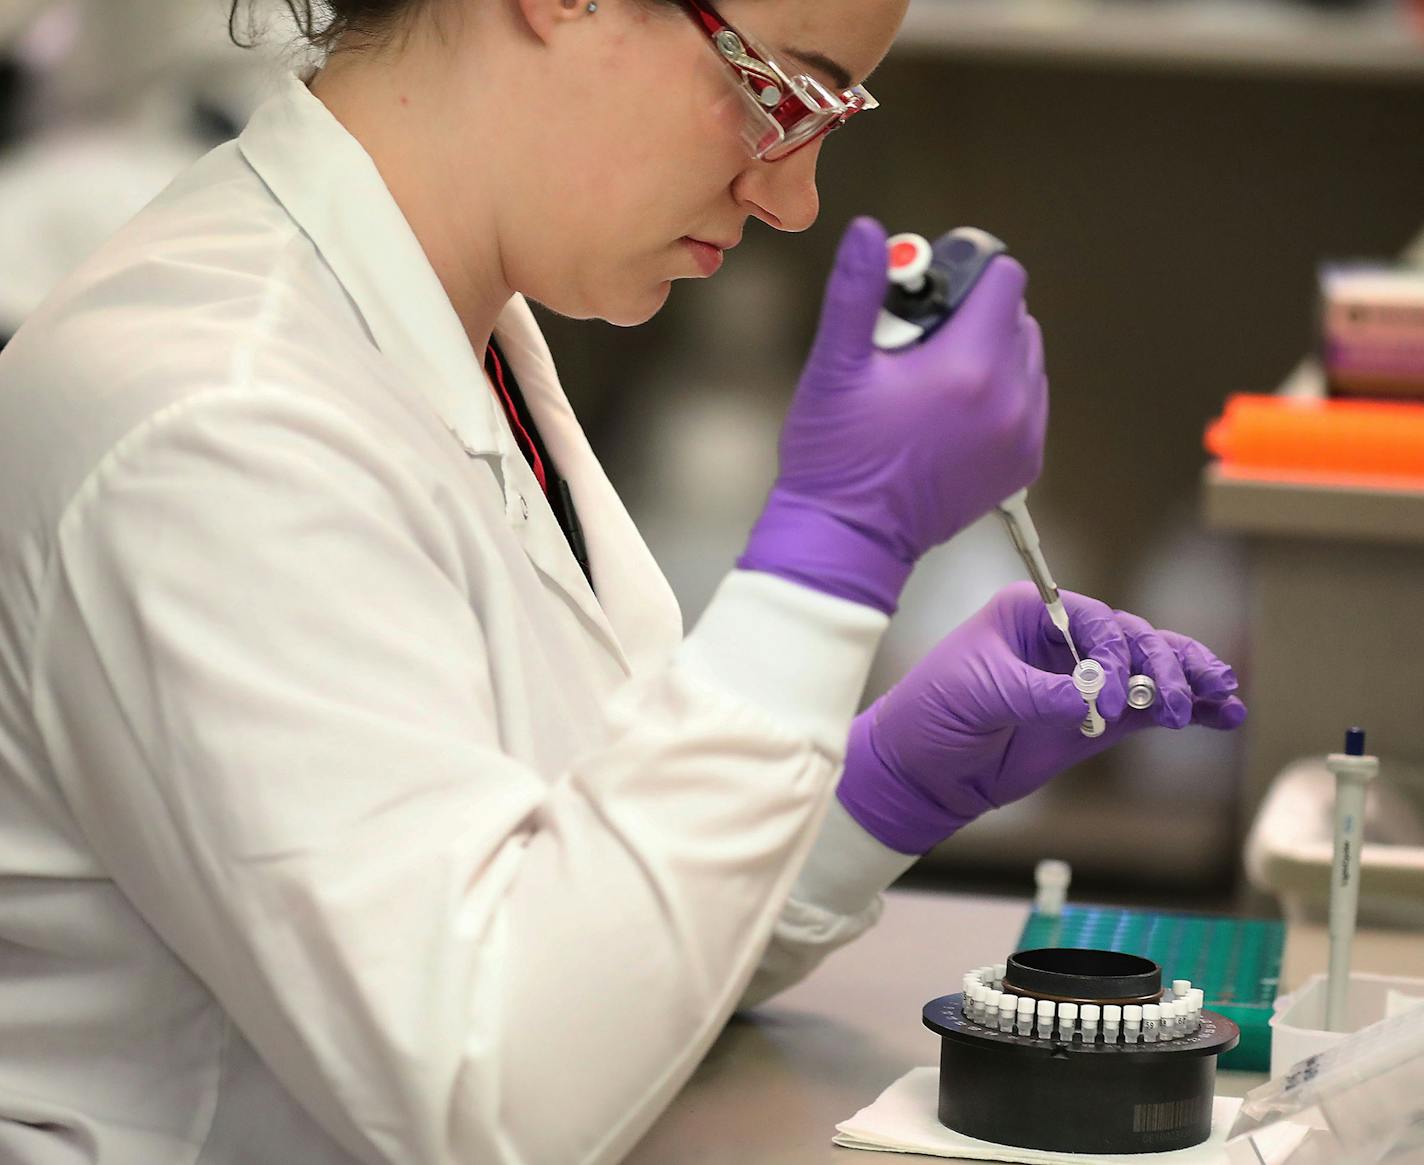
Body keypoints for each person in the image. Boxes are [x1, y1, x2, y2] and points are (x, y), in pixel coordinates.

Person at [0, 0, 1247, 1162]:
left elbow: (582, 935)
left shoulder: (450, 326)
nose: (795, 197)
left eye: (829, 122)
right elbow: (491, 1095)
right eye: (776, 96)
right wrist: (833, 553)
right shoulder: (212, 417)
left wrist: (871, 793)